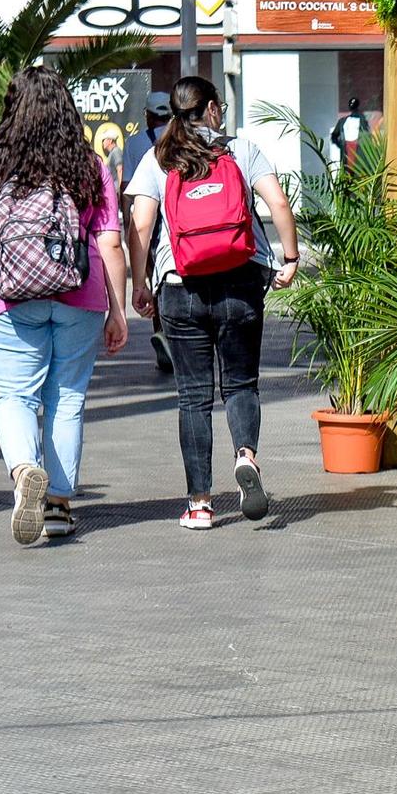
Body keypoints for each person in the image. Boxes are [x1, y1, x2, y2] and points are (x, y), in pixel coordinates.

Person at [0, 66, 130, 545]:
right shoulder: (88, 164)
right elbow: (110, 243)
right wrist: (118, 309)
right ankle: (59, 506)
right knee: (66, 397)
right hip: (80, 292)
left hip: (5, 296)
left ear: (11, 108)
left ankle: (26, 468)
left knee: (13, 394)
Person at [126, 76, 300, 531]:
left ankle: (200, 504)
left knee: (193, 398)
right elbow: (278, 203)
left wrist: (140, 285)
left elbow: (140, 226)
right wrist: (290, 257)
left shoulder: (157, 159)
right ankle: (245, 456)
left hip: (180, 286)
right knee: (241, 384)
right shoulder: (241, 151)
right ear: (213, 111)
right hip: (240, 281)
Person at [122, 92, 176, 374]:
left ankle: (160, 330)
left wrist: (125, 223)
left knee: (155, 279)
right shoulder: (183, 138)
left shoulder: (135, 143)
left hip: (149, 222)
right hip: (179, 223)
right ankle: (175, 338)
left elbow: (127, 190)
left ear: (147, 115)